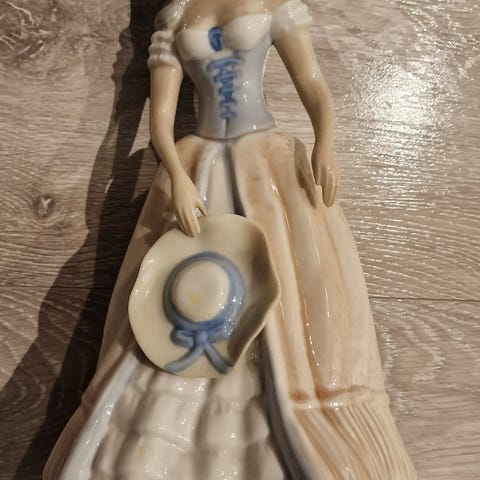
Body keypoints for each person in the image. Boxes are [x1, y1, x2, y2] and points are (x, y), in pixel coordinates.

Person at [44, 0, 416, 478]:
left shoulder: (272, 5)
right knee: (179, 292)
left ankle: (302, 420)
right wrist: (177, 176)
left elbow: (312, 82)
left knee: (296, 294)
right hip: (197, 166)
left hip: (268, 162)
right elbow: (160, 120)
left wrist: (325, 140)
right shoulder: (176, 17)